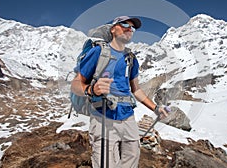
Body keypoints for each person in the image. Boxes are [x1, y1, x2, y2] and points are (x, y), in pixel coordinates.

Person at [71, 16, 168, 168]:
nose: (129, 29)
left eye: (132, 28)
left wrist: (156, 108)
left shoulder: (131, 59)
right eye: (124, 25)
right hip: (103, 116)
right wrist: (91, 90)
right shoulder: (98, 52)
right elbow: (76, 84)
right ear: (112, 29)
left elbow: (136, 90)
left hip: (128, 118)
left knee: (132, 159)